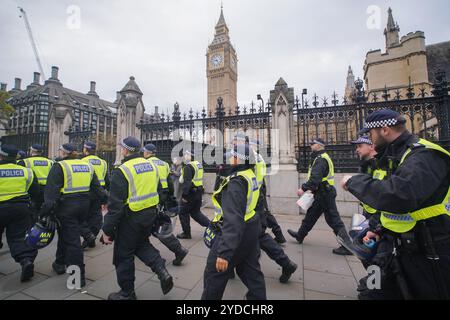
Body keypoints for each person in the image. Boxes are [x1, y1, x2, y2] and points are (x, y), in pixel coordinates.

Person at [341, 109, 450, 300]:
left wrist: (353, 182)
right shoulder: (395, 156)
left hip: (428, 250)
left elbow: (399, 195)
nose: (369, 138)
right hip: (394, 245)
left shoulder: (424, 156)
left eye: (370, 134)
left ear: (384, 130)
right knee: (371, 292)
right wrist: (378, 228)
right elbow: (390, 206)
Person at [101, 137, 173, 300]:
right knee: (141, 244)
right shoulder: (152, 166)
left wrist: (106, 229)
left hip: (130, 218)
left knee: (124, 255)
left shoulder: (123, 170)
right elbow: (160, 191)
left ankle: (127, 293)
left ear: (125, 150)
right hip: (149, 215)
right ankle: (161, 269)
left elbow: (115, 206)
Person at [202, 144, 266, 300]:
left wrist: (224, 253)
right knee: (252, 273)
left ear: (238, 159)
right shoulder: (250, 174)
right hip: (250, 228)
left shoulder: (237, 182)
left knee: (213, 275)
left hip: (236, 234)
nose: (229, 157)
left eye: (232, 155)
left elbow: (233, 219)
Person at [40, 143, 107, 287]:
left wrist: (45, 213)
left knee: (73, 242)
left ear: (64, 153)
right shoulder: (87, 166)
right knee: (66, 235)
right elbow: (98, 189)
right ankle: (59, 263)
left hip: (66, 208)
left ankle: (78, 277)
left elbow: (51, 194)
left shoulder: (60, 166)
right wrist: (109, 202)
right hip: (84, 206)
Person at [288, 138, 352, 255]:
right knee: (311, 215)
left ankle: (347, 246)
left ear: (319, 145)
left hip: (325, 193)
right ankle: (300, 235)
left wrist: (303, 188)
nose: (311, 146)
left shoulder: (321, 159)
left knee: (333, 220)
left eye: (312, 144)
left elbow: (315, 179)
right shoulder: (320, 158)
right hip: (321, 192)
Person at [249, 138, 297, 283]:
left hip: (252, 204)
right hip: (257, 201)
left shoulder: (252, 159)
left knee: (258, 236)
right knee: (253, 236)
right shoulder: (259, 158)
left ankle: (285, 263)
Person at [142, 144, 188, 266]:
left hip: (149, 200)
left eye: (144, 152)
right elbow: (169, 183)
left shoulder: (144, 164)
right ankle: (177, 250)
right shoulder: (164, 164)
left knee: (156, 229)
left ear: (147, 152)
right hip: (162, 199)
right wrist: (170, 199)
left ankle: (176, 251)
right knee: (157, 227)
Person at [0, 144, 39, 282]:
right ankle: (25, 260)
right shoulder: (26, 171)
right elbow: (34, 191)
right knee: (17, 238)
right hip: (20, 208)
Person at [80, 141, 109, 249]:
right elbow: (107, 180)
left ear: (85, 149)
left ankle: (88, 236)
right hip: (99, 192)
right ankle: (91, 238)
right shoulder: (103, 162)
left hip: (86, 191)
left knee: (83, 216)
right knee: (95, 216)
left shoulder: (82, 161)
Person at [177, 150, 210, 239]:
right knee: (196, 213)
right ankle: (211, 226)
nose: (184, 157)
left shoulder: (188, 166)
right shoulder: (198, 165)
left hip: (190, 193)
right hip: (198, 192)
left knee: (183, 212)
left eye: (186, 155)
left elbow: (187, 183)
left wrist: (184, 196)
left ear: (191, 156)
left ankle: (186, 233)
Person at [18, 144, 53, 223]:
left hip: (32, 190)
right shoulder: (50, 162)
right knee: (43, 211)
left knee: (32, 212)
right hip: (46, 190)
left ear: (32, 151)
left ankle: (32, 228)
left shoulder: (24, 162)